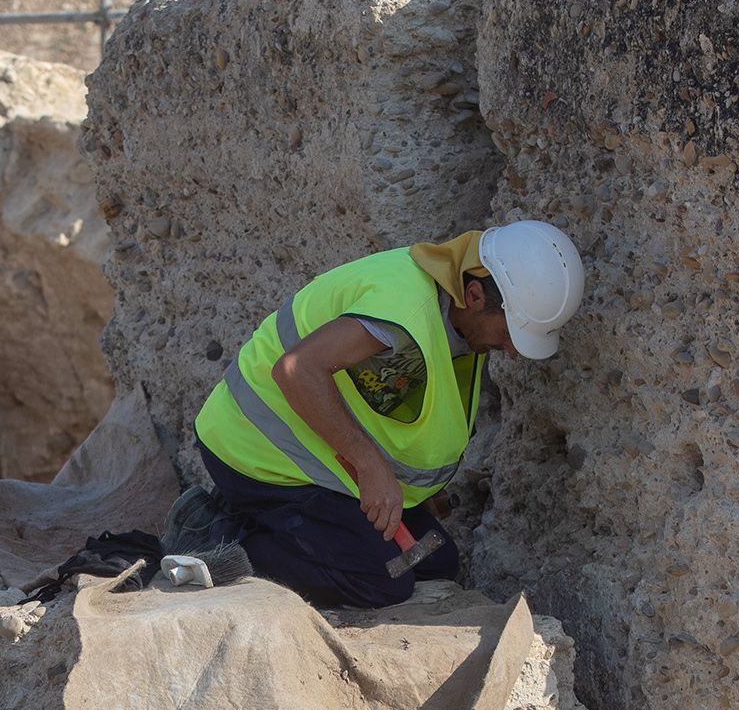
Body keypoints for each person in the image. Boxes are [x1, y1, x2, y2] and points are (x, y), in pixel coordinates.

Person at [181, 221, 584, 609]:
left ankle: (277, 525)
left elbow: (394, 401)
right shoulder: (405, 307)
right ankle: (211, 532)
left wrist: (416, 491)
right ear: (475, 295)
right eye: (510, 332)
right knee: (382, 579)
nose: (513, 350)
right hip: (256, 453)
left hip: (321, 467)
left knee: (436, 562)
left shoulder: (458, 318)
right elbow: (296, 370)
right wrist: (370, 465)